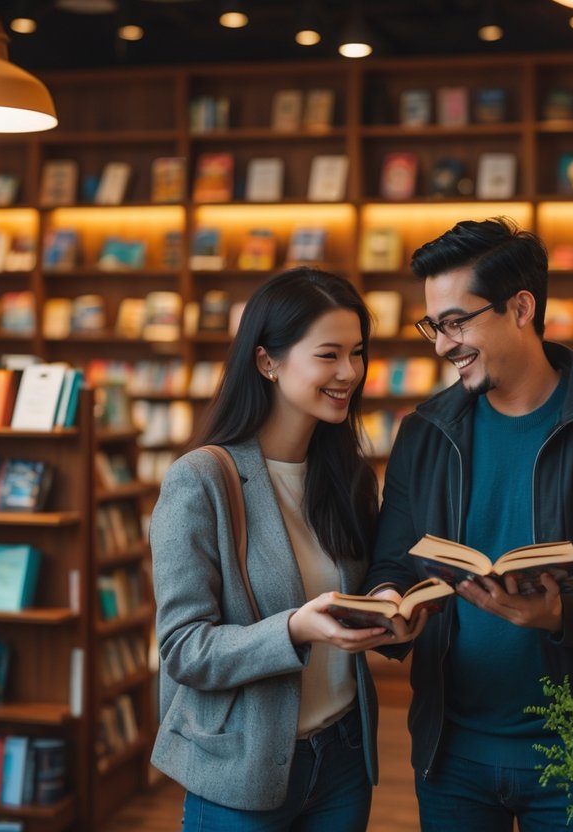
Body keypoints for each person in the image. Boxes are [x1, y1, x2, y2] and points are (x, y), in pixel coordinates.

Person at [364, 218, 573, 831]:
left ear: (521, 308)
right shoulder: (423, 433)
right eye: (434, 325)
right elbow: (392, 565)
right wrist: (386, 604)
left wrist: (561, 616)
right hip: (449, 754)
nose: (441, 344)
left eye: (456, 322)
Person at [150, 267, 413, 831]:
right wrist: (295, 629)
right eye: (329, 355)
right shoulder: (201, 480)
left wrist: (393, 615)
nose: (350, 373)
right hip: (242, 771)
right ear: (268, 361)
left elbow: (357, 599)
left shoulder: (348, 477)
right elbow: (182, 649)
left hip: (343, 757)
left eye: (358, 353)